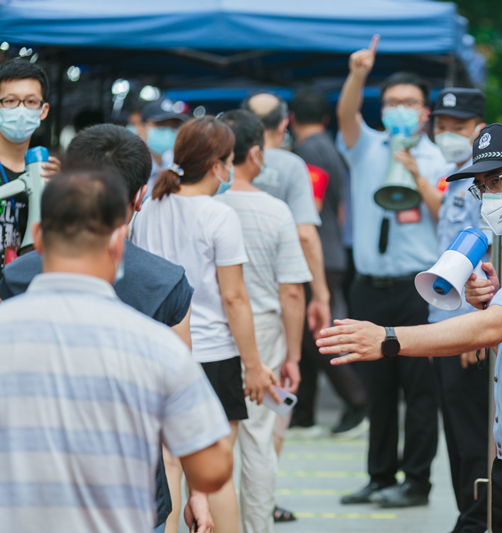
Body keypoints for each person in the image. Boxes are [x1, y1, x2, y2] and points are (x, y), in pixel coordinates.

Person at [318, 124, 502, 532]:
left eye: (498, 180)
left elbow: (492, 330)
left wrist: (389, 338)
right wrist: (495, 301)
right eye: (482, 186)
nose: (490, 195)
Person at [0, 123, 211, 533]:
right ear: (140, 196)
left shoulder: (16, 278)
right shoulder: (165, 282)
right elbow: (183, 422)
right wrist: (198, 493)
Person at [132, 116, 280, 533]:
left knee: (170, 466)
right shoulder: (219, 216)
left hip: (159, 353)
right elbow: (234, 298)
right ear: (217, 165)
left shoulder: (148, 208)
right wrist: (253, 364)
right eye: (229, 160)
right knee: (214, 472)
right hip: (214, 355)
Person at [335, 35, 449, 508]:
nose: (400, 108)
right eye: (392, 101)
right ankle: (379, 475)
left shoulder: (439, 158)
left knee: (419, 390)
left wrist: (417, 175)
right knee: (378, 390)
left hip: (417, 288)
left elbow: (447, 214)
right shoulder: (367, 146)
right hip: (370, 287)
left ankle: (416, 482)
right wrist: (358, 73)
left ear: (425, 113)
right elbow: (345, 116)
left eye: (410, 102)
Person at [216, 109, 311, 533]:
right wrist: (293, 356)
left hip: (209, 332)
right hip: (265, 330)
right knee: (258, 439)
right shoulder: (275, 211)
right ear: (256, 152)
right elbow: (292, 290)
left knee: (208, 436)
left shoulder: (203, 205)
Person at [428, 87, 502, 533]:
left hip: (467, 324)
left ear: (478, 129)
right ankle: (470, 516)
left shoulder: (491, 186)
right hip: (443, 321)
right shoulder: (455, 177)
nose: (447, 135)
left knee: (475, 433)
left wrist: (476, 326)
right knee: (457, 436)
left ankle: (479, 520)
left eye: (457, 128)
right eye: (441, 127)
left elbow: (499, 256)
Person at [290, 87, 369, 437]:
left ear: (291, 119)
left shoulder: (310, 151)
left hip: (317, 254)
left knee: (319, 334)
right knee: (308, 334)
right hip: (331, 249)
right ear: (324, 118)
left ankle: (358, 402)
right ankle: (302, 413)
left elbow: (313, 205)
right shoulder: (332, 149)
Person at [243, 91, 331, 342]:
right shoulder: (293, 165)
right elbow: (305, 234)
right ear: (284, 124)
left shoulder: (226, 167)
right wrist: (320, 295)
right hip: (278, 288)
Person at [0, 58, 60, 267]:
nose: (21, 109)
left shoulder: (50, 172)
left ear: (43, 111)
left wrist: (63, 190)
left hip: (29, 292)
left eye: (31, 102)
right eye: (10, 101)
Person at [134, 98, 186, 198]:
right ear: (141, 128)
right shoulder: (132, 165)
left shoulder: (178, 163)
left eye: (173, 126)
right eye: (160, 125)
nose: (168, 131)